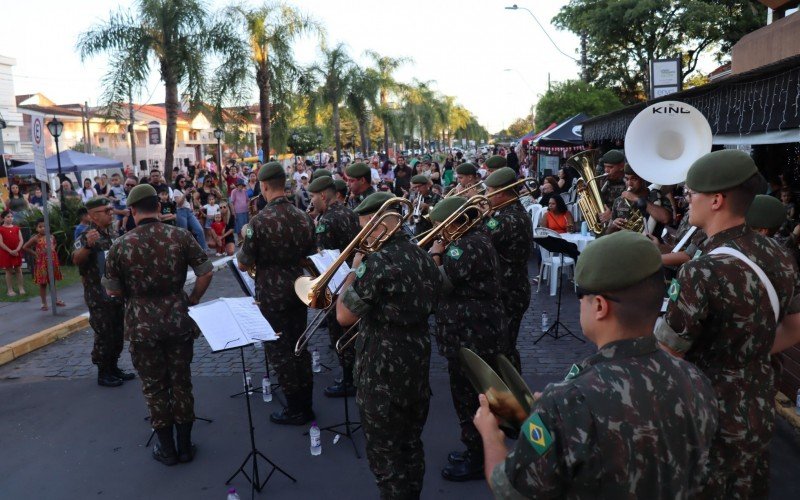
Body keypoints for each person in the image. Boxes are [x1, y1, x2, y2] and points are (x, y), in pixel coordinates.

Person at [476, 231, 719, 498]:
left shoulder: (567, 401)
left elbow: (510, 491)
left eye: (582, 296)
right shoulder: (695, 379)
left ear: (600, 306)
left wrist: (490, 435)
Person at [654, 149, 800, 498]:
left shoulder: (700, 270)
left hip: (705, 416)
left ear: (716, 199)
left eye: (690, 194)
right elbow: (796, 326)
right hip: (758, 408)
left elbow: (666, 354)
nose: (685, 201)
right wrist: (743, 355)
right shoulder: (777, 251)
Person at [336, 191, 442, 499]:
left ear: (377, 224)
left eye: (364, 226)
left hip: (381, 371)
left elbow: (344, 314)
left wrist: (355, 268)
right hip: (417, 361)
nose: (361, 235)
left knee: (386, 456)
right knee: (411, 444)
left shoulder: (378, 262)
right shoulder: (423, 255)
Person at [103, 184, 213, 465]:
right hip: (178, 320)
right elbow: (206, 271)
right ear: (158, 207)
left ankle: (167, 449)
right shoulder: (179, 236)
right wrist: (193, 298)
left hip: (141, 325)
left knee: (153, 386)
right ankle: (186, 446)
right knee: (181, 383)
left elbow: (113, 291)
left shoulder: (121, 245)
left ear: (132, 210)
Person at [428, 196, 506, 481]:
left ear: (456, 222)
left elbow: (438, 282)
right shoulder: (474, 239)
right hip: (474, 328)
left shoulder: (464, 246)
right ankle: (476, 448)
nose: (437, 231)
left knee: (469, 396)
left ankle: (477, 456)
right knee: (474, 394)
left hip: (470, 332)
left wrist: (436, 253)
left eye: (440, 225)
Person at [237, 162, 317, 425]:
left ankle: (295, 408)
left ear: (264, 186)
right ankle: (306, 402)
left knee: (280, 350)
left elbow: (243, 262)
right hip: (299, 289)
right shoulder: (304, 217)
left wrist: (243, 237)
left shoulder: (258, 222)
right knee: (300, 346)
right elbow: (311, 254)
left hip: (272, 294)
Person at [307, 176, 360, 397]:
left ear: (322, 195)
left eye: (312, 197)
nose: (311, 201)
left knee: (339, 333)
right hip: (354, 279)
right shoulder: (349, 211)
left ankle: (349, 379)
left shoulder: (327, 220)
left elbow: (323, 260)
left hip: (337, 284)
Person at [72, 197, 131, 387]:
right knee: (104, 333)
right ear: (92, 216)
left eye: (110, 209)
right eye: (106, 211)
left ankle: (113, 367)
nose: (110, 213)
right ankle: (103, 371)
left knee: (117, 331)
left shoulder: (112, 233)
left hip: (115, 293)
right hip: (98, 295)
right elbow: (76, 259)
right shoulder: (86, 236)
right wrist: (88, 246)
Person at [484, 168, 533, 370]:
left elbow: (481, 238)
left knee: (503, 349)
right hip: (511, 287)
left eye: (489, 191)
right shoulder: (508, 212)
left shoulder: (507, 218)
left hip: (509, 290)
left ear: (501, 193)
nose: (486, 196)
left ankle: (512, 394)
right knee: (504, 347)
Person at [605, 165, 672, 234]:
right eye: (627, 179)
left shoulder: (657, 198)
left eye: (634, 179)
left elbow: (666, 219)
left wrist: (637, 199)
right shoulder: (619, 201)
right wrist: (613, 225)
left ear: (643, 179)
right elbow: (607, 233)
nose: (629, 183)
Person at [22, 218, 65, 310]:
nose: (43, 228)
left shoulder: (51, 236)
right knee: (43, 283)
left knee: (52, 282)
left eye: (45, 226)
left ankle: (55, 300)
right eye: (40, 227)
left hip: (52, 262)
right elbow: (25, 247)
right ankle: (44, 303)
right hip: (42, 264)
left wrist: (52, 249)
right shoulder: (35, 238)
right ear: (36, 228)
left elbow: (55, 244)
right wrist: (36, 254)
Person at [173, 175, 208, 251]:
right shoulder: (176, 191)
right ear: (178, 182)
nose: (183, 183)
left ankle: (203, 250)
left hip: (189, 212)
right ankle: (185, 252)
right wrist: (185, 194)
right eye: (181, 181)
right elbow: (179, 204)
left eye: (184, 181)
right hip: (181, 212)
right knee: (184, 233)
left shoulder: (185, 190)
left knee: (199, 230)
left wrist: (192, 207)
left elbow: (190, 201)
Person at [597, 149, 627, 227]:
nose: (606, 170)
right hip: (603, 226)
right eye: (605, 167)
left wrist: (612, 216)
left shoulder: (629, 182)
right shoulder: (603, 180)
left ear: (621, 166)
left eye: (610, 167)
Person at [409, 175, 442, 242]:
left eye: (419, 186)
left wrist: (427, 207)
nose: (417, 189)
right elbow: (411, 221)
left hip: (432, 233)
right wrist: (412, 208)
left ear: (427, 185)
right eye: (415, 188)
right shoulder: (415, 198)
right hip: (419, 232)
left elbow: (440, 217)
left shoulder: (437, 197)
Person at [0, 210, 25, 297]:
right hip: (6, 252)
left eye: (11, 216)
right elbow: (1, 243)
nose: (10, 218)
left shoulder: (16, 228)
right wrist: (10, 251)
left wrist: (17, 250)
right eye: (8, 217)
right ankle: (10, 290)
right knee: (8, 270)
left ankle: (21, 288)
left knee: (18, 269)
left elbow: (21, 240)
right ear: (3, 218)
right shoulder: (1, 229)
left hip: (16, 252)